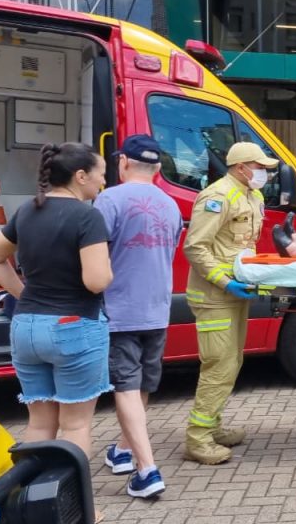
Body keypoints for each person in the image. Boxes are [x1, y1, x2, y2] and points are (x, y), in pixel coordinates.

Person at [0, 143, 112, 462]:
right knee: (75, 425)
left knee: (40, 423)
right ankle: (76, 511)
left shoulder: (28, 209)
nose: (103, 182)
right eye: (101, 175)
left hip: (27, 327)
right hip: (74, 327)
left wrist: (22, 294)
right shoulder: (88, 216)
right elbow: (96, 281)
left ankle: (35, 503)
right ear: (80, 175)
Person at [94, 134, 182, 498]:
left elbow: (93, 252)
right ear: (158, 168)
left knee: (126, 387)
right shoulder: (172, 205)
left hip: (120, 310)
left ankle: (147, 470)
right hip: (157, 309)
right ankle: (124, 450)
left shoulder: (109, 200)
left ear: (124, 163)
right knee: (142, 385)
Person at [182, 142, 278, 465]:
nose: (264, 173)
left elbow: (244, 246)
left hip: (235, 292)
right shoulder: (217, 196)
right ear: (241, 167)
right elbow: (195, 248)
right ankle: (198, 439)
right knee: (218, 365)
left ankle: (213, 427)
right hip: (214, 296)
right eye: (260, 166)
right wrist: (226, 282)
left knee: (232, 362)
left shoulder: (253, 196)